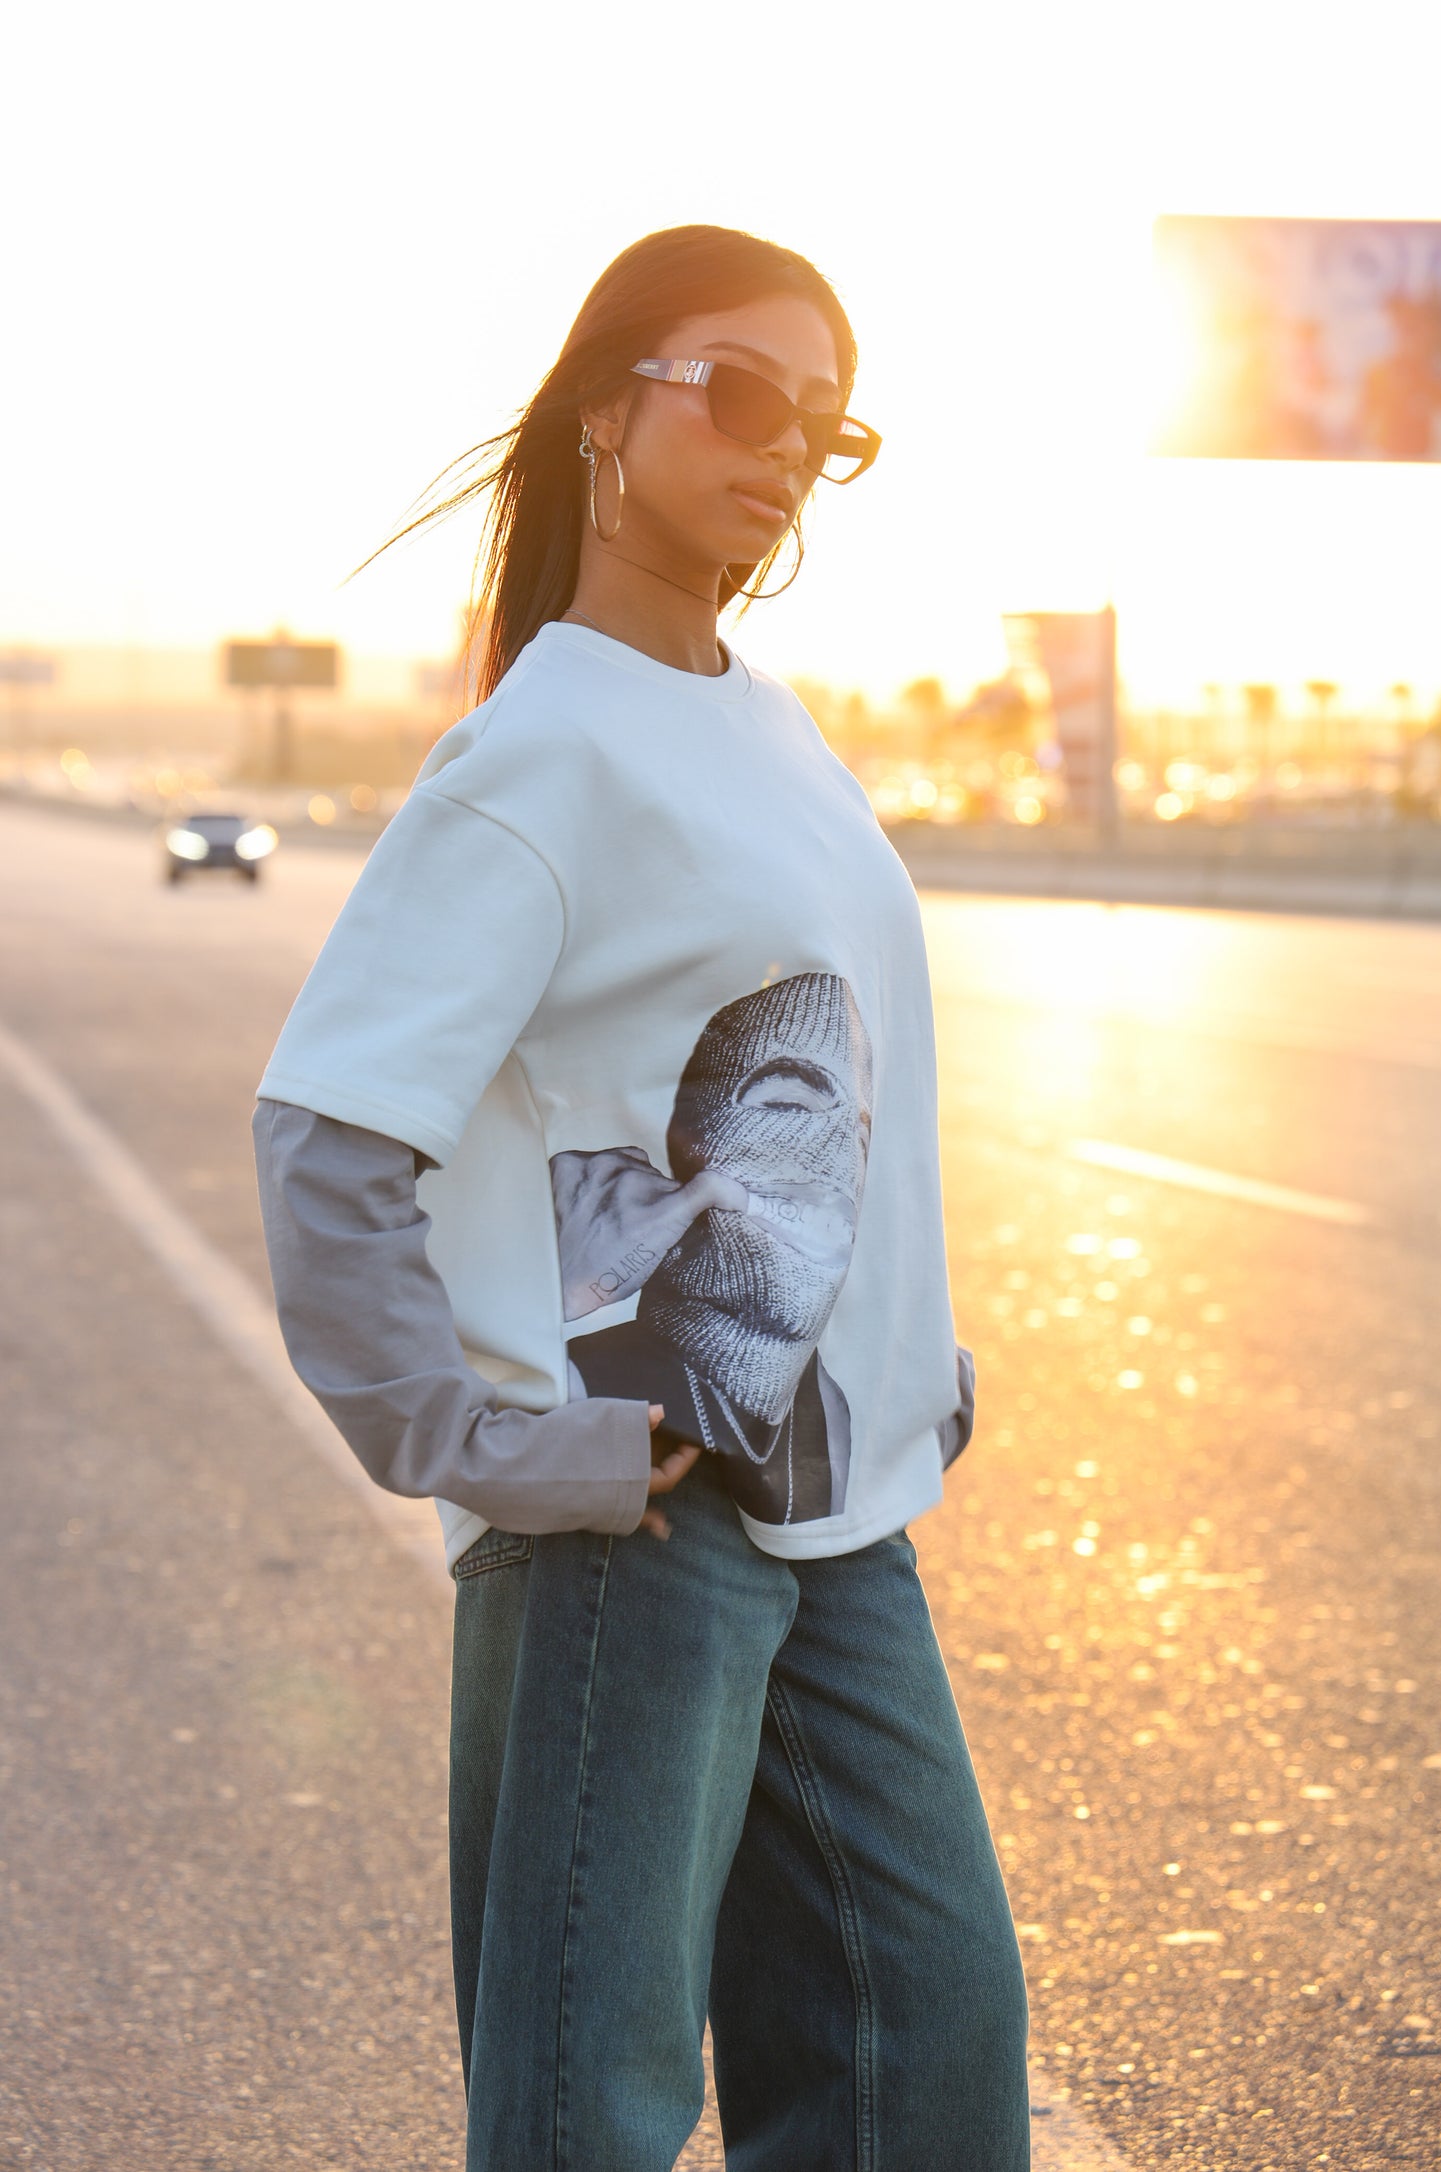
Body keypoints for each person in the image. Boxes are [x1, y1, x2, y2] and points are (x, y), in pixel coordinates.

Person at [252, 223, 1031, 2171]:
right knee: (587, 2108)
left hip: (835, 1519)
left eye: (825, 430)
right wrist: (490, 1445)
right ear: (614, 409)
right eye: (743, 392)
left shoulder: (764, 724)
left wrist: (901, 1356)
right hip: (630, 1530)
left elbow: (808, 1083)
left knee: (920, 2060)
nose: (784, 454)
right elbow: (329, 1142)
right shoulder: (536, 759)